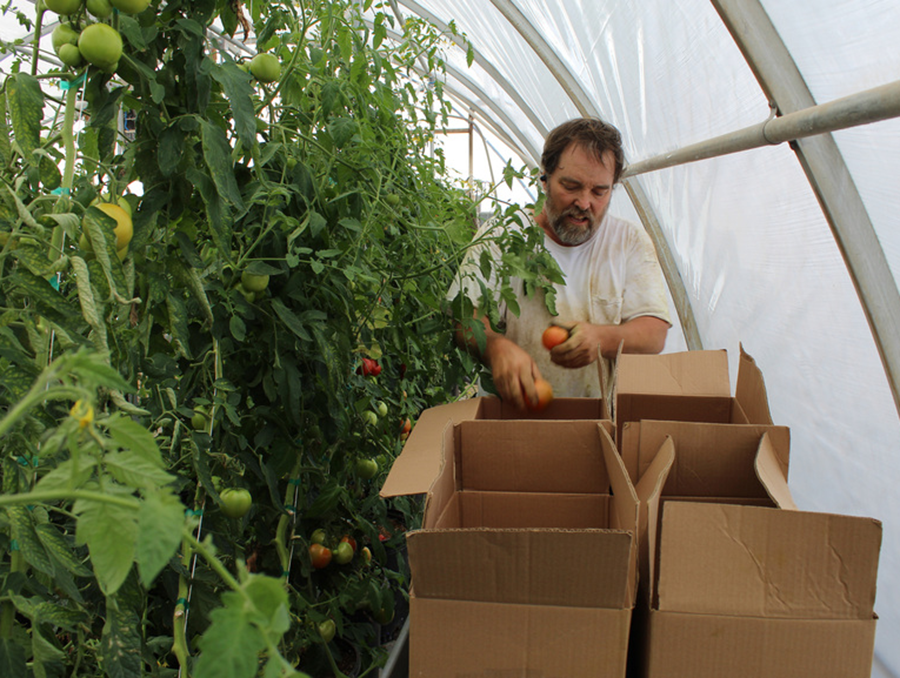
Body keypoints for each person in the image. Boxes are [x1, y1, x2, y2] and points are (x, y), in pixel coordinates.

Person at [449, 117, 672, 410]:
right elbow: (464, 316)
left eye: (599, 191)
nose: (583, 202)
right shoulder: (501, 237)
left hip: (597, 420)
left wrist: (600, 339)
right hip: (509, 417)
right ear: (545, 179)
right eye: (571, 186)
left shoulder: (628, 241)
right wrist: (495, 347)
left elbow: (654, 332)